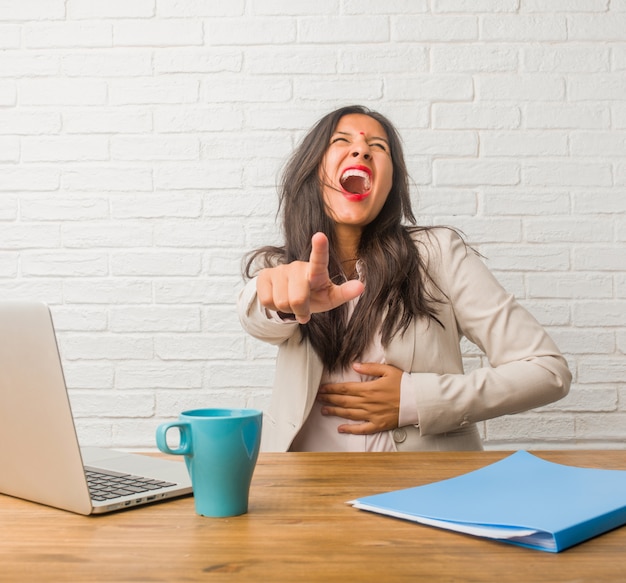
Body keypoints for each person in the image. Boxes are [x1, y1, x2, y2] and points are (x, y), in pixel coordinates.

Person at [237, 105, 571, 452]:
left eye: (378, 147)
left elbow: (547, 371)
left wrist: (416, 399)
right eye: (341, 140)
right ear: (313, 170)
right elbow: (257, 313)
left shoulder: (438, 253)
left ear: (391, 183)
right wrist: (283, 301)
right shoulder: (282, 266)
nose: (362, 149)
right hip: (306, 492)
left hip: (428, 488)